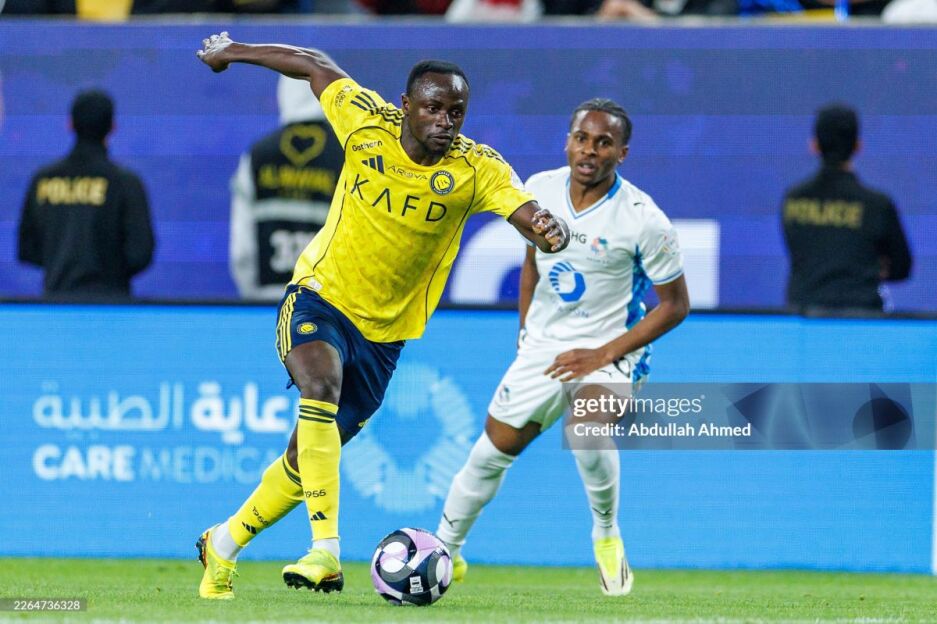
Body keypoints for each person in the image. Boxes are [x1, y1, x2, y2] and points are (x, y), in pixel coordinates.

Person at [194, 31, 570, 599]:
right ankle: (325, 552)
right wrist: (232, 52)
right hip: (320, 295)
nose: (446, 122)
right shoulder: (365, 120)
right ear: (406, 105)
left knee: (302, 460)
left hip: (385, 336)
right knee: (319, 385)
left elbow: (523, 209)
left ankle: (222, 544)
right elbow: (311, 62)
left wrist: (545, 227)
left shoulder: (475, 169)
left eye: (456, 112)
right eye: (434, 108)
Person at [435, 98, 689, 596]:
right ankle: (444, 551)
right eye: (581, 138)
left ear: (622, 153)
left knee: (586, 427)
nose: (589, 150)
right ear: (568, 141)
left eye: (603, 142)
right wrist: (526, 330)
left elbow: (675, 305)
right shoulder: (539, 189)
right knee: (490, 453)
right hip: (546, 345)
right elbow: (531, 262)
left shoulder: (644, 219)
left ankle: (606, 533)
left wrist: (602, 355)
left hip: (612, 349)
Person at [17, 89, 155, 300]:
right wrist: (109, 276)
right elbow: (140, 253)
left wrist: (60, 264)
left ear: (70, 124)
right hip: (112, 306)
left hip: (55, 303)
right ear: (112, 127)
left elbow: (27, 249)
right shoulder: (125, 183)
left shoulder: (43, 180)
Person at [782, 104, 911, 313]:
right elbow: (901, 267)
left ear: (814, 145)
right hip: (862, 318)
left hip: (805, 317)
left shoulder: (793, 200)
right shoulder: (877, 204)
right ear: (858, 146)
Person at [230, 76, 344, 301]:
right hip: (330, 302)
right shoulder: (347, 154)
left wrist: (252, 299)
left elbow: (241, 250)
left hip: (268, 300)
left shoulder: (257, 155)